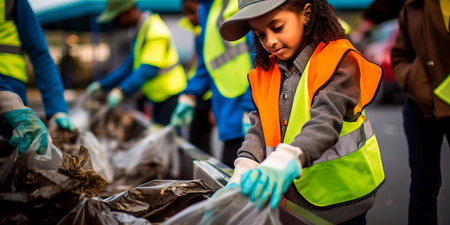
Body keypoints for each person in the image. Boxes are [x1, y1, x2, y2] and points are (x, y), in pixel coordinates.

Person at [218, 0, 385, 224]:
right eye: (260, 35)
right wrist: (243, 168)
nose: (270, 41)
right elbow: (259, 129)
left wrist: (284, 161)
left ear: (305, 14)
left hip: (342, 202)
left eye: (277, 28)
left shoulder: (338, 61)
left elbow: (324, 122)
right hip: (295, 204)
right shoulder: (266, 71)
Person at [170, 0, 255, 168]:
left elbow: (262, 58)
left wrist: (250, 104)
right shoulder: (207, 9)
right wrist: (190, 95)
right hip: (229, 111)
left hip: (247, 110)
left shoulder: (237, 4)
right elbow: (206, 61)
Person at [390, 0, 450, 224]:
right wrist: (417, 85)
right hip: (421, 107)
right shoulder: (412, 5)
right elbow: (400, 56)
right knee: (423, 188)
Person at [86, 0, 187, 126]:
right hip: (158, 95)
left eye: (117, 18)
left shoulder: (155, 31)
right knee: (158, 132)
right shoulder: (141, 32)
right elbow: (127, 68)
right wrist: (102, 85)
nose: (116, 23)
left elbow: (148, 70)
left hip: (170, 94)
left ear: (128, 11)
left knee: (168, 139)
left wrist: (121, 91)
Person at [0, 0, 75, 155]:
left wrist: (57, 109)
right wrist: (6, 101)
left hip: (15, 106)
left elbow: (40, 54)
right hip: (11, 104)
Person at [179, 0, 213, 154]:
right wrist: (189, 95)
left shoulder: (216, 16)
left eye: (192, 11)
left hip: (210, 97)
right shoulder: (201, 26)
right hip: (199, 93)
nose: (190, 18)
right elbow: (202, 63)